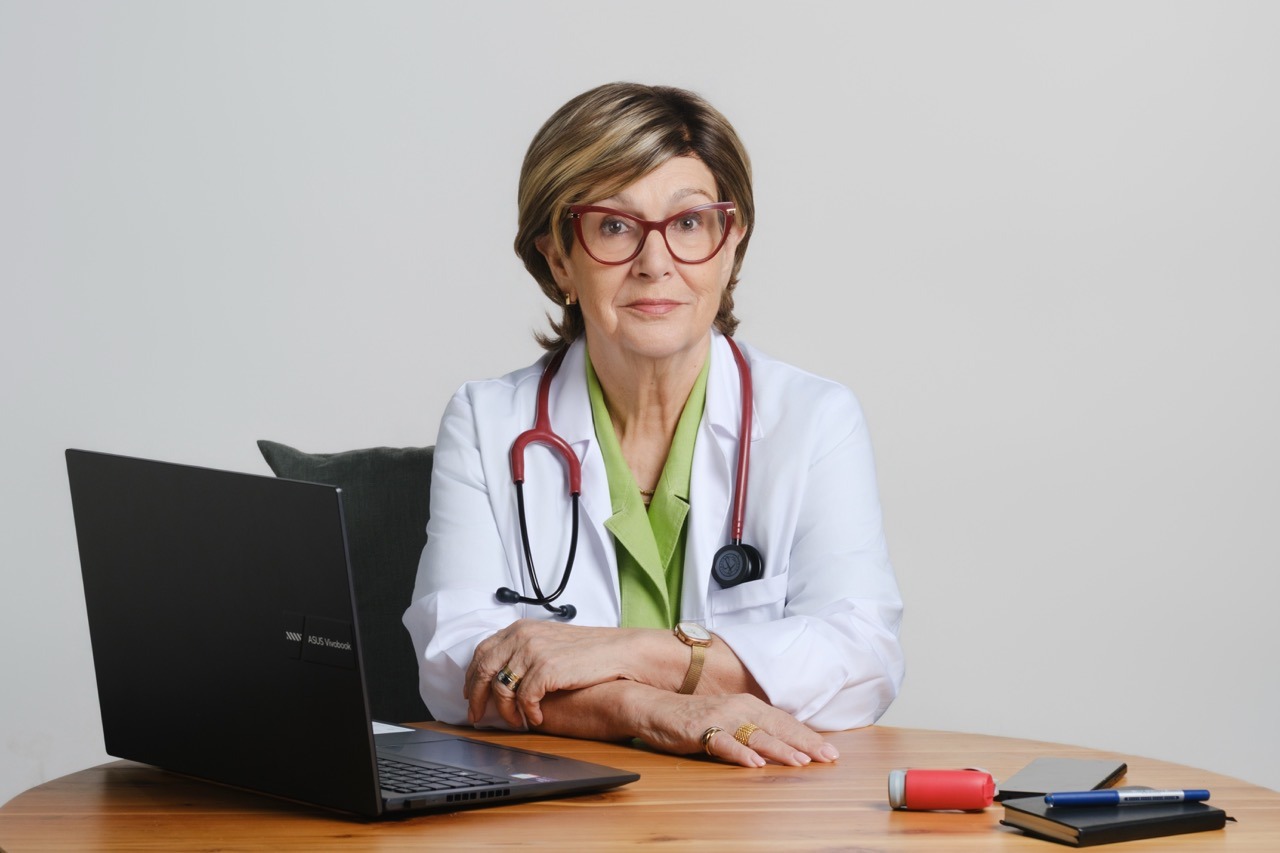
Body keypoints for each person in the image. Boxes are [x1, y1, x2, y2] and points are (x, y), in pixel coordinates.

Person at [403, 82, 904, 768]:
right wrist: (654, 707)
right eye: (614, 226)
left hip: (757, 811)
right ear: (558, 258)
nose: (656, 261)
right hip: (554, 815)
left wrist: (624, 650)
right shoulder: (489, 422)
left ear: (731, 246)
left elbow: (863, 658)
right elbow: (454, 668)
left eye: (691, 223)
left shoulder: (814, 419)